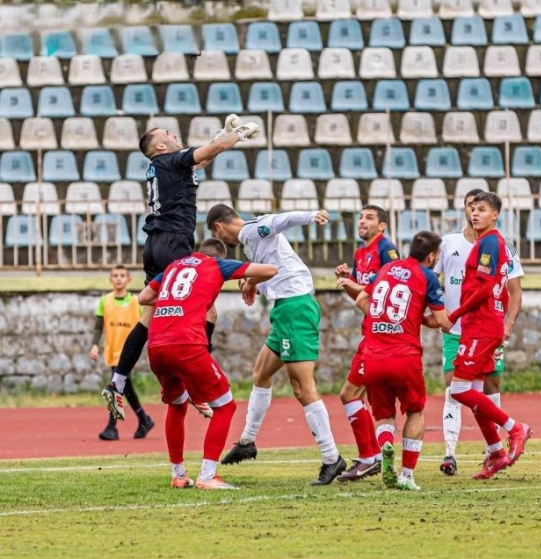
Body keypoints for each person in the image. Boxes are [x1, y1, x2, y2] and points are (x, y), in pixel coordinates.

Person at [102, 115, 259, 420]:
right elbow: (210, 151)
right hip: (175, 243)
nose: (175, 134)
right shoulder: (172, 160)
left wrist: (221, 135)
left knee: (148, 316)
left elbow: (203, 159)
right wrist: (238, 134)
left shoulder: (161, 167)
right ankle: (198, 385)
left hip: (154, 245)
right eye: (168, 133)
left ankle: (117, 383)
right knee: (207, 311)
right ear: (161, 145)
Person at [207, 204, 348, 485]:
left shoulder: (251, 230)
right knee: (261, 372)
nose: (223, 242)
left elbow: (279, 220)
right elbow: (274, 265)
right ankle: (247, 441)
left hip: (295, 307)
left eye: (218, 235)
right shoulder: (250, 240)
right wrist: (251, 282)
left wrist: (311, 216)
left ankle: (332, 458)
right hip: (285, 308)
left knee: (302, 388)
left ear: (219, 228)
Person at [138, 238, 277, 489]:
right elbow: (270, 270)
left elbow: (144, 297)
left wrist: (178, 303)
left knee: (177, 404)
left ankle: (178, 474)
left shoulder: (172, 267)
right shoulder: (215, 265)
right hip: (186, 344)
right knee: (225, 406)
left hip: (156, 344)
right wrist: (248, 282)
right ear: (217, 257)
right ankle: (207, 475)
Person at [434, 188, 524, 476]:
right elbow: (498, 289)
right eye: (472, 207)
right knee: (471, 392)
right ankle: (496, 451)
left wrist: (456, 314)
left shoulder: (490, 244)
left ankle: (515, 428)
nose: (475, 212)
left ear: (495, 215)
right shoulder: (462, 242)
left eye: (482, 209)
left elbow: (488, 288)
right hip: (478, 326)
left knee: (460, 389)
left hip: (480, 328)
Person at [355, 231, 451, 491]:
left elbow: (362, 299)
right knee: (415, 412)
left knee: (383, 415)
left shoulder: (387, 268)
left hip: (373, 356)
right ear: (431, 256)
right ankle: (407, 475)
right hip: (404, 357)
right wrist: (417, 317)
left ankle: (386, 445)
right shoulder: (427, 277)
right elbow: (441, 321)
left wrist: (384, 319)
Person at [332, 205, 400, 482]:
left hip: (383, 337)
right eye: (360, 217)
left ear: (382, 226)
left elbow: (393, 290)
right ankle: (374, 457)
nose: (362, 221)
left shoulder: (388, 249)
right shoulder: (361, 254)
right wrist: (347, 284)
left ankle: (371, 457)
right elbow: (364, 301)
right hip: (370, 332)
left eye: (369, 218)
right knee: (367, 399)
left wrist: (355, 286)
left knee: (350, 395)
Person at [90, 265, 154, 441]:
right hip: (112, 351)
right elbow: (98, 326)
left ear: (128, 280)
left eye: (122, 275)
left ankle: (112, 427)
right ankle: (144, 419)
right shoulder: (105, 301)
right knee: (124, 387)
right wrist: (95, 345)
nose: (118, 278)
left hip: (128, 353)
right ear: (111, 279)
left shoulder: (136, 302)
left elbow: (147, 325)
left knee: (116, 386)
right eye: (115, 276)